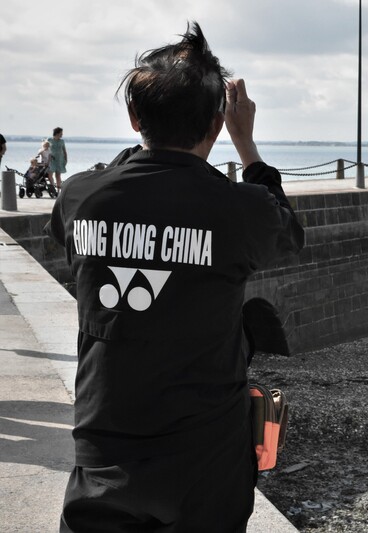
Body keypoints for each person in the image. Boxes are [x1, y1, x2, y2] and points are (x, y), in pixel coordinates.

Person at [45, 22, 305, 532]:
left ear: (134, 116)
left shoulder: (81, 195)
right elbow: (287, 230)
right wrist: (246, 147)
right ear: (217, 124)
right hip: (205, 451)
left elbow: (65, 227)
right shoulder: (238, 210)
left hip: (104, 439)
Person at [47, 127, 68, 192]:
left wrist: (66, 159)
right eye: (61, 133)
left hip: (60, 159)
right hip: (52, 159)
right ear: (57, 133)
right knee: (50, 174)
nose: (62, 134)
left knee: (58, 175)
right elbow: (45, 148)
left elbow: (64, 151)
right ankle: (52, 187)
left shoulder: (62, 141)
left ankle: (58, 190)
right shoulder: (49, 140)